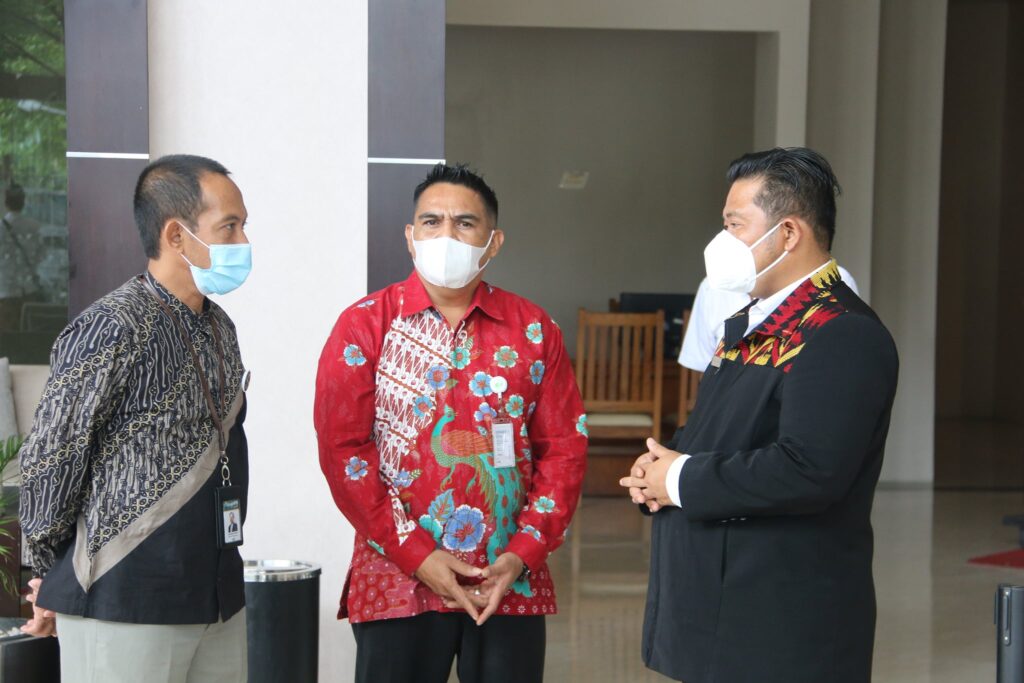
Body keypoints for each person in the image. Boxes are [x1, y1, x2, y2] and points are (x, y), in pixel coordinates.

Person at [620, 147, 899, 683]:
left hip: (780, 619)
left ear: (788, 233)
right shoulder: (757, 319)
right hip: (723, 606)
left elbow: (810, 469)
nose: (721, 241)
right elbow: (723, 432)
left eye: (734, 225)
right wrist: (659, 471)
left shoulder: (842, 331)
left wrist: (678, 478)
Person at [315, 163, 588, 683]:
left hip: (506, 580)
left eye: (464, 223)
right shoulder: (365, 325)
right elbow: (343, 452)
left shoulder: (534, 329)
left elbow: (564, 449)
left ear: (493, 241)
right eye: (431, 222)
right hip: (396, 579)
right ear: (410, 236)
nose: (446, 235)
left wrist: (522, 553)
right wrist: (416, 555)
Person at [18, 154, 253, 683]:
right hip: (124, 594)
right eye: (229, 227)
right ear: (176, 235)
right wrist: (50, 573)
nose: (243, 242)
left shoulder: (220, 328)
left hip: (215, 593)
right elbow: (52, 457)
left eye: (243, 226)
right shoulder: (110, 325)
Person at [678, 264, 859, 372]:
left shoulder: (833, 282)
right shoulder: (714, 286)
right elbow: (708, 366)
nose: (728, 237)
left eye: (736, 224)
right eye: (727, 226)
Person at [0, 183, 43, 330]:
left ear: (6, 203)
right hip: (28, 289)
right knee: (28, 331)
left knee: (7, 333)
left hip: (5, 290)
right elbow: (41, 255)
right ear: (23, 202)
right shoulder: (34, 226)